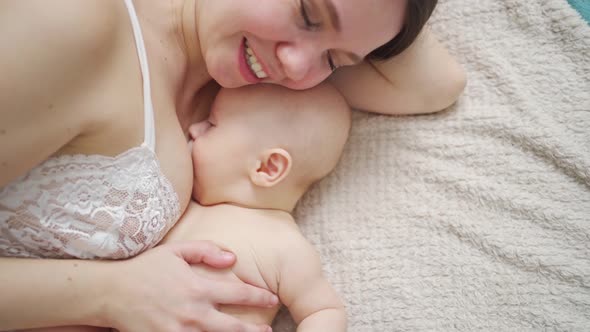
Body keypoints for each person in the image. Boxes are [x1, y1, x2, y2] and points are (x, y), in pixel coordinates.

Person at [0, 0, 465, 330]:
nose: (297, 67)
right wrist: (109, 294)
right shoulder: (76, 24)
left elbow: (437, 85)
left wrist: (355, 24)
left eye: (334, 59)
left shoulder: (262, 94)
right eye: (306, 12)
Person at [23, 82, 351, 332]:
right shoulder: (179, 206)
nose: (194, 129)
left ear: (267, 168)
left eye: (212, 124)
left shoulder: (284, 246)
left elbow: (324, 312)